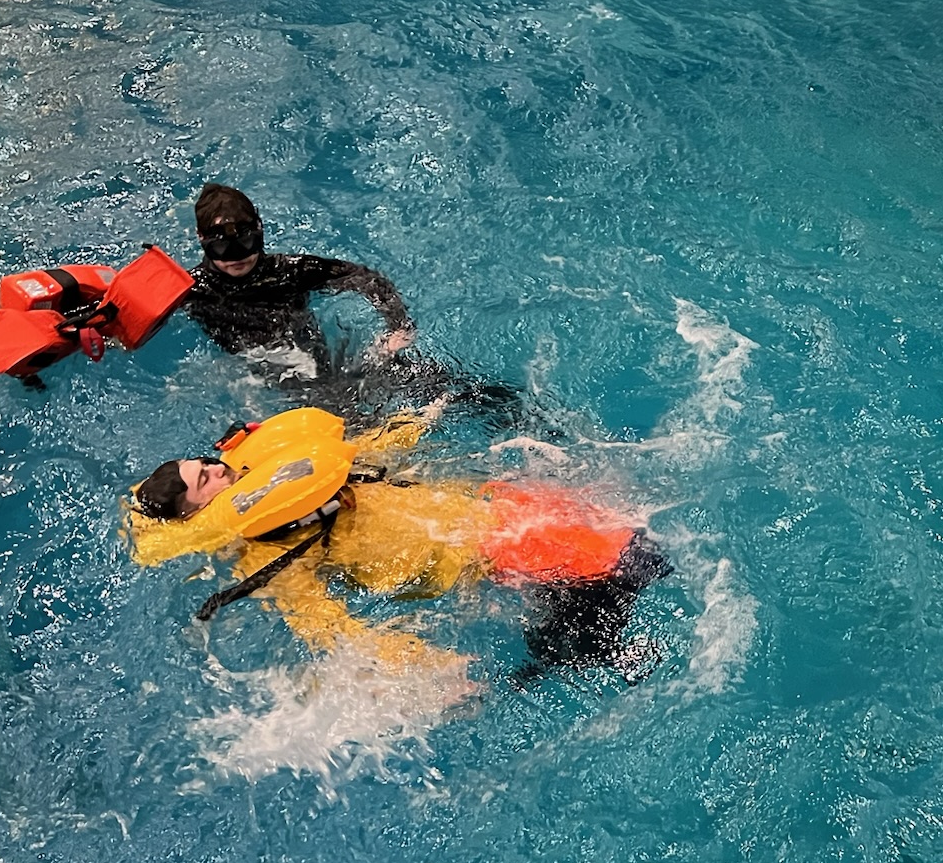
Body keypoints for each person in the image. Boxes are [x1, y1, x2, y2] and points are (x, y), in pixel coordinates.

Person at [130, 407, 667, 677]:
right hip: (480, 550)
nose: (215, 468)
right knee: (640, 554)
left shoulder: (281, 468)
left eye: (203, 463)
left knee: (635, 522)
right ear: (201, 512)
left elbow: (369, 449)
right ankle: (578, 641)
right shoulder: (270, 550)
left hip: (483, 502)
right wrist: (432, 667)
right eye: (205, 481)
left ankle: (568, 637)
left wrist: (426, 415)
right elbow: (332, 631)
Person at [186, 183, 415, 384]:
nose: (236, 257)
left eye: (247, 242)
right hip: (256, 374)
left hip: (312, 358)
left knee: (411, 373)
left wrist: (399, 326)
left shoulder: (289, 272)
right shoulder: (191, 288)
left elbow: (368, 279)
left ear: (260, 228)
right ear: (201, 238)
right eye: (221, 248)